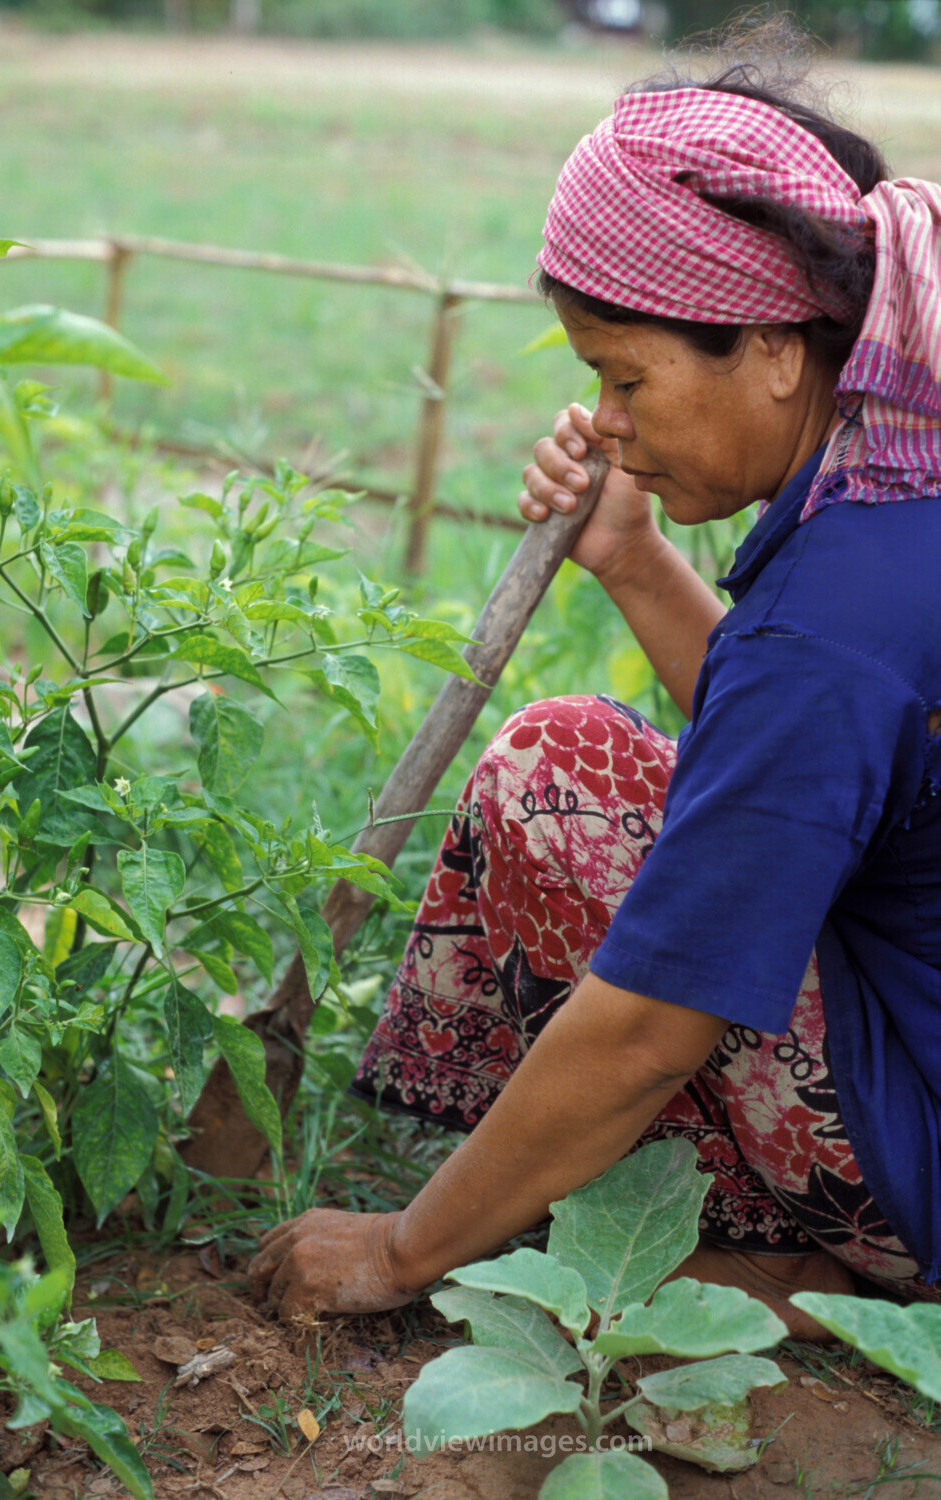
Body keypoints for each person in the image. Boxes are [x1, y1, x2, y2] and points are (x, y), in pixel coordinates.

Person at [250, 35, 941, 1338]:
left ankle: (770, 1257)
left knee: (560, 816)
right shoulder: (903, 451)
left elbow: (650, 1025)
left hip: (926, 1153)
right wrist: (627, 553)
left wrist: (401, 1252)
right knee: (567, 755)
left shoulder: (838, 615)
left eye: (627, 378)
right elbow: (818, 776)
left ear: (776, 347)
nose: (606, 419)